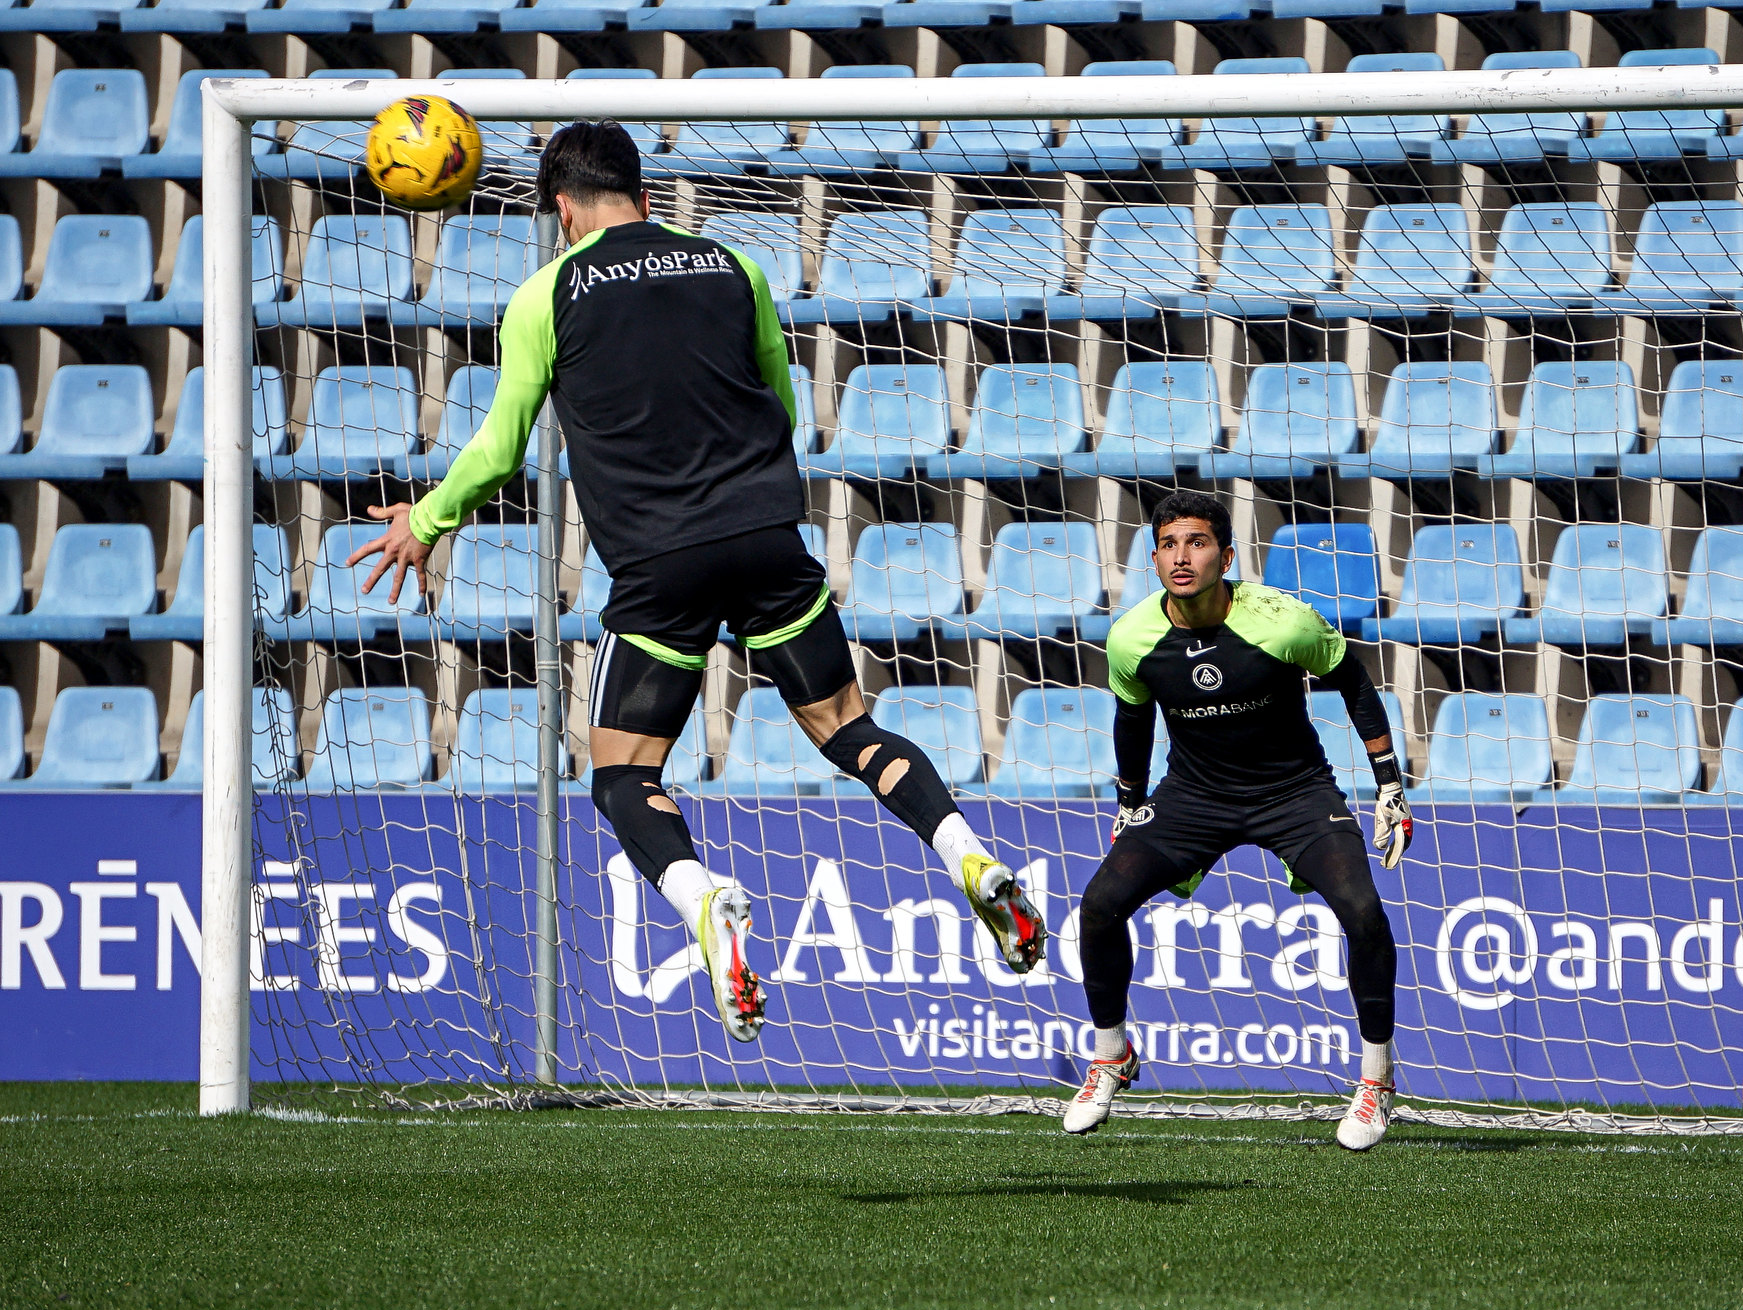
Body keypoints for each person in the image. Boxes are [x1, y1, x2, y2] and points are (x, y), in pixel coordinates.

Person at [350, 121, 1045, 1044]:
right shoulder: (733, 266)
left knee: (622, 771)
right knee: (848, 728)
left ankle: (701, 896)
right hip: (766, 536)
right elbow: (781, 402)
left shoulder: (544, 295)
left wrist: (424, 521)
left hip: (659, 565)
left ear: (562, 208)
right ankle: (968, 857)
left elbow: (499, 449)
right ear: (641, 191)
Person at [1062, 492, 1413, 1149]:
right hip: (1195, 796)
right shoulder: (1133, 637)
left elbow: (1355, 683)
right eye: (1167, 545)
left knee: (1363, 911)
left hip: (1296, 793)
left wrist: (1390, 786)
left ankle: (1377, 1083)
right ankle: (1110, 1055)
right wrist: (1130, 803)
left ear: (1225, 557)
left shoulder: (1284, 622)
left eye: (1195, 544)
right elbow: (1133, 719)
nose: (1180, 557)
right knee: (1101, 903)